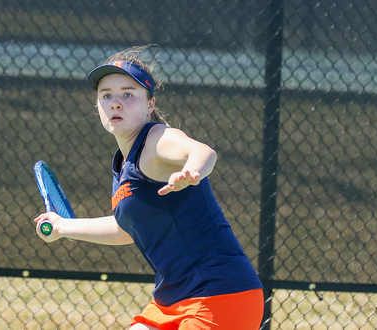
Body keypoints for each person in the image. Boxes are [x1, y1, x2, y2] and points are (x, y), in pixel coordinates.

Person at [34, 46, 264, 330]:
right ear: (98, 106)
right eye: (106, 96)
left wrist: (194, 170)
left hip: (221, 295)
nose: (115, 103)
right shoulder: (123, 166)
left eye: (128, 94)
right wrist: (62, 228)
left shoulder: (156, 139)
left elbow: (203, 152)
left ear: (150, 104)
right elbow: (125, 230)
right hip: (170, 301)